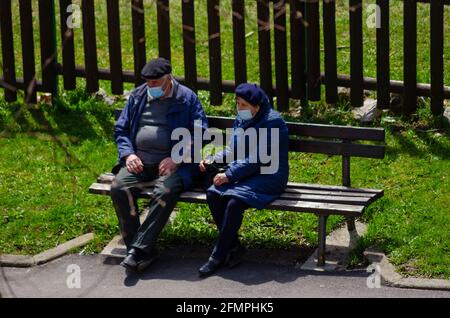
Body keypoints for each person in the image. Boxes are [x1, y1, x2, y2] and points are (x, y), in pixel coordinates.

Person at [111, 57, 208, 272]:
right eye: (147, 81)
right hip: (140, 162)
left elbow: (200, 133)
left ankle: (136, 251)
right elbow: (122, 130)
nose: (150, 86)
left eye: (155, 82)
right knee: (119, 188)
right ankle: (141, 250)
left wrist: (177, 157)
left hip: (175, 165)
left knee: (165, 190)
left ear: (168, 78)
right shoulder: (137, 96)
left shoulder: (186, 98)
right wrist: (128, 155)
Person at [198, 83, 289, 277]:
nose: (239, 109)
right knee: (213, 194)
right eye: (238, 104)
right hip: (246, 173)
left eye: (244, 105)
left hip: (269, 176)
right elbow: (233, 150)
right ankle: (234, 247)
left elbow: (260, 158)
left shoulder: (273, 122)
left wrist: (229, 175)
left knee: (234, 202)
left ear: (256, 106)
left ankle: (217, 255)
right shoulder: (241, 119)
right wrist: (213, 159)